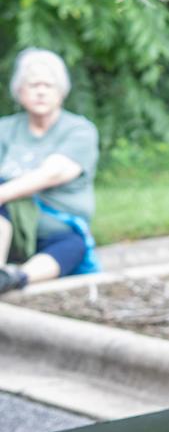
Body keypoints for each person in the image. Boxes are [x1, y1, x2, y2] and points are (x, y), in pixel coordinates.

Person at [0, 48, 100, 294]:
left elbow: (53, 172)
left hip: (57, 231)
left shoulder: (80, 130)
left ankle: (15, 278)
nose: (41, 91)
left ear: (61, 92)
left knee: (73, 246)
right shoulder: (6, 129)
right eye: (33, 85)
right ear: (20, 92)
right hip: (11, 229)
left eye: (48, 85)